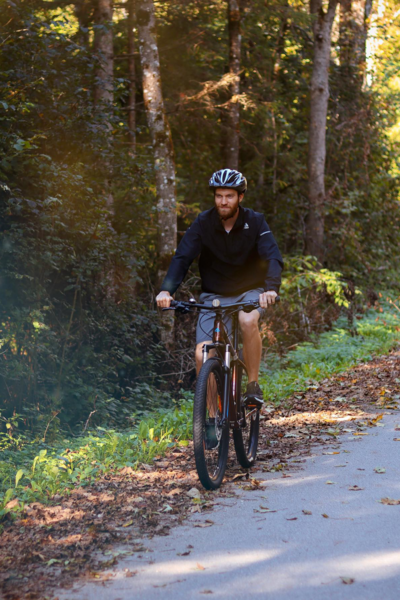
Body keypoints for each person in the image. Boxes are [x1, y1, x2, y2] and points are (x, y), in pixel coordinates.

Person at [156, 168, 283, 408]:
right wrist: (167, 291)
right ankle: (212, 419)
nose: (223, 201)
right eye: (219, 196)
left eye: (229, 196)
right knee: (202, 353)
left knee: (247, 321)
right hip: (213, 296)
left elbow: (272, 257)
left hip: (250, 291)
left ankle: (253, 386)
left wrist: (271, 289)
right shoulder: (203, 222)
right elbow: (182, 258)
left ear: (240, 197)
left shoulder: (255, 221)